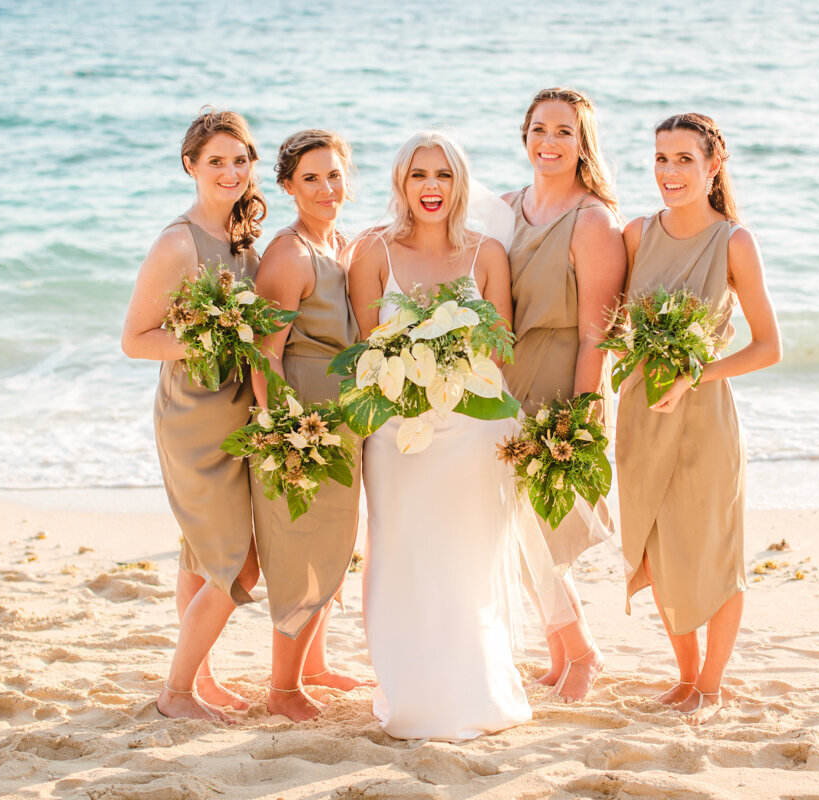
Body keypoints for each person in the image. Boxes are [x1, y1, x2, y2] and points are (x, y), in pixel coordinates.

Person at [347, 131, 530, 741]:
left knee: (465, 559)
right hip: (398, 435)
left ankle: (474, 689)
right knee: (398, 552)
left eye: (444, 175)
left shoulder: (487, 254)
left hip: (473, 430)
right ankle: (408, 693)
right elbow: (364, 353)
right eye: (419, 174)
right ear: (400, 182)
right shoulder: (372, 251)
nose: (431, 187)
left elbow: (501, 348)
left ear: (460, 184)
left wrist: (450, 374)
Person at [617, 113, 781, 724]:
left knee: (713, 550)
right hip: (642, 412)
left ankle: (711, 684)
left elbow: (768, 347)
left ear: (713, 166)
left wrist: (697, 373)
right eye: (661, 159)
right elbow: (608, 324)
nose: (669, 172)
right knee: (656, 552)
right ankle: (685, 678)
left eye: (684, 159)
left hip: (705, 416)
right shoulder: (635, 234)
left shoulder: (734, 241)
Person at [121, 109, 267, 723]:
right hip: (193, 417)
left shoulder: (242, 239)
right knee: (238, 562)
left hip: (237, 410)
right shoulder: (178, 242)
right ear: (191, 166)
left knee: (199, 556)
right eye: (216, 162)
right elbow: (135, 339)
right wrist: (210, 340)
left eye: (240, 160)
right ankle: (175, 692)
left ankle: (199, 678)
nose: (231, 172)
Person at [500, 87, 625, 702]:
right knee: (515, 526)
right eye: (539, 129)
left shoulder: (593, 220)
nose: (549, 142)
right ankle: (560, 653)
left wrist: (579, 420)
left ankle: (583, 653)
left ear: (582, 145)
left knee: (542, 524)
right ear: (524, 136)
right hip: (504, 381)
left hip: (562, 381)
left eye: (564, 132)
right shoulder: (503, 208)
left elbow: (596, 335)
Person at [250, 129, 369, 721]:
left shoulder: (340, 244)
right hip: (304, 426)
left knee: (332, 542)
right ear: (288, 187)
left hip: (343, 422)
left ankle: (314, 666)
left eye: (335, 175)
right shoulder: (289, 254)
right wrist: (285, 434)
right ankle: (283, 688)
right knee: (299, 547)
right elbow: (265, 353)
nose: (327, 188)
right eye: (311, 178)